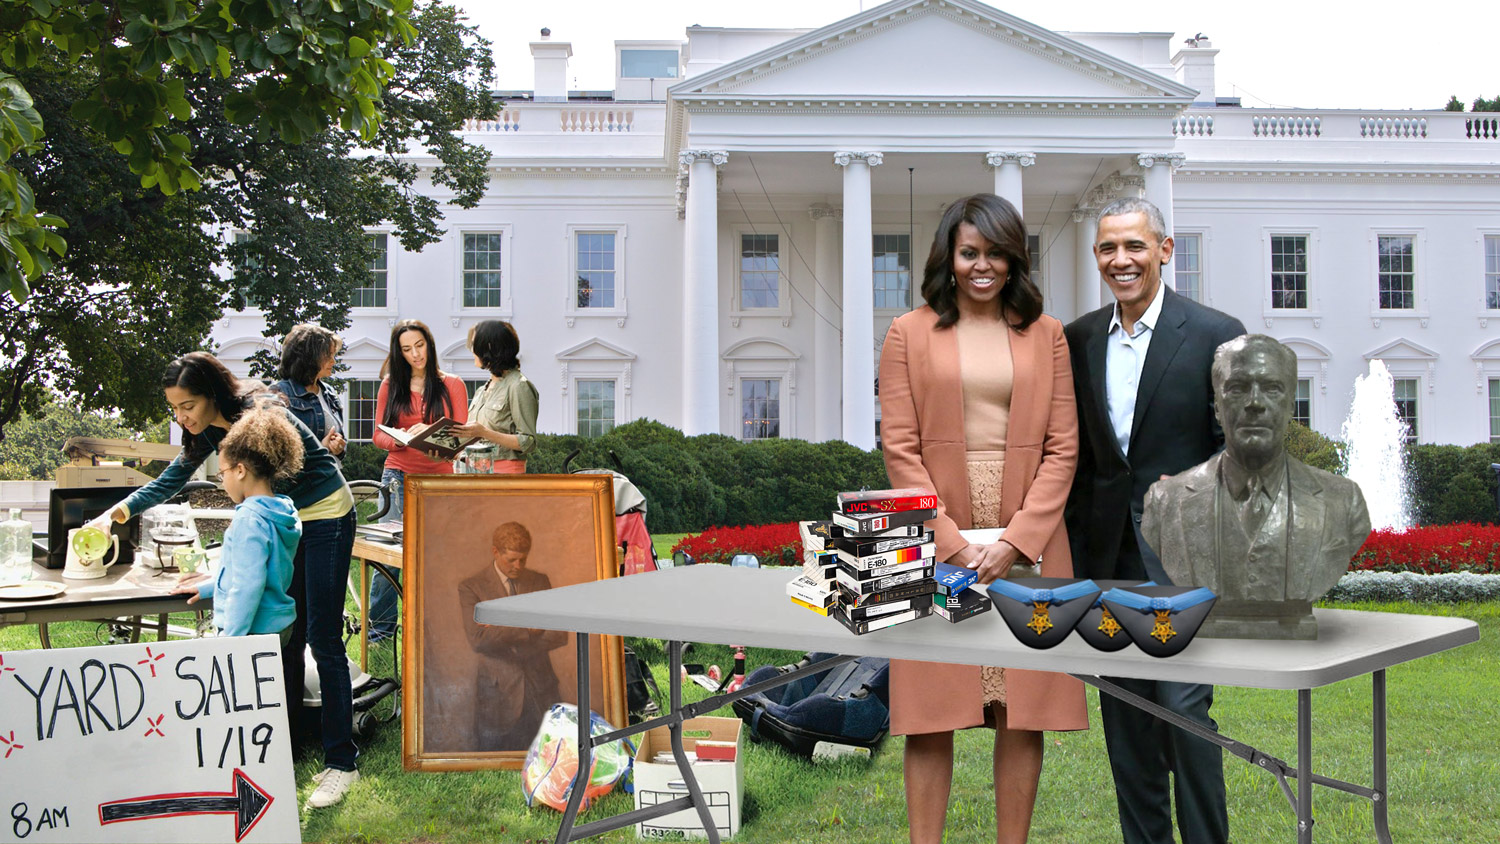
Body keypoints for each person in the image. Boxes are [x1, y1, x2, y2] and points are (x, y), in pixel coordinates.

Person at [878, 193, 1086, 844]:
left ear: (1015, 259)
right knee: (931, 707)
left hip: (1030, 536)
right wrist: (951, 543)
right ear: (949, 255)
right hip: (938, 531)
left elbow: (1063, 447)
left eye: (997, 253)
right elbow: (900, 448)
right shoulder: (908, 333)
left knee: (1018, 706)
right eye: (970, 253)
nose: (982, 267)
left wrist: (1020, 540)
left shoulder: (1046, 334)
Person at [89, 352, 361, 808]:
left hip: (325, 515)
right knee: (285, 640)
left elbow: (281, 485)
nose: (182, 417)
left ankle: (341, 762)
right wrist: (115, 513)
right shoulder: (206, 434)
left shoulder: (260, 415)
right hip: (286, 519)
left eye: (188, 406)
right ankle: (283, 751)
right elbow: (169, 480)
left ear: (212, 394)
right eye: (174, 409)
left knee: (323, 638)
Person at [1063, 196, 1246, 844]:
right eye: (1109, 248)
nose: (1122, 260)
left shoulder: (1217, 332)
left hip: (1187, 563)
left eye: (1135, 246)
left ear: (1164, 251)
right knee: (1129, 723)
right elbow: (1078, 455)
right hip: (1108, 564)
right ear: (1097, 258)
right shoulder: (1078, 338)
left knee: (1186, 714)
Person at [1142, 335, 1371, 638]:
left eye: (1272, 388)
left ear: (1291, 405)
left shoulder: (1344, 501)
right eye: (1237, 388)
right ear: (1217, 407)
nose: (1255, 403)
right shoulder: (1165, 502)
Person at [368, 319, 468, 638]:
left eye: (420, 346)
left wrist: (434, 437)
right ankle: (380, 631)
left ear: (430, 344)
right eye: (407, 349)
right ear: (399, 353)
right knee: (390, 557)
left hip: (440, 481)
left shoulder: (452, 384)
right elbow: (377, 435)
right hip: (397, 475)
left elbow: (460, 434)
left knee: (440, 556)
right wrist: (399, 439)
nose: (416, 354)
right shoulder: (390, 385)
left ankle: (436, 628)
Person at [171, 406, 301, 644]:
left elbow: (247, 587)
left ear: (240, 470)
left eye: (222, 474)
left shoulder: (249, 519)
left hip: (252, 633)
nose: (222, 482)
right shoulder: (280, 511)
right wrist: (209, 588)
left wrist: (229, 641)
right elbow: (253, 573)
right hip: (277, 626)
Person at [456, 521, 568, 751]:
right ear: (495, 552)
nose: (518, 566)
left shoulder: (540, 581)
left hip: (542, 689)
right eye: (511, 560)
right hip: (497, 695)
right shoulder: (471, 587)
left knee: (550, 755)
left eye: (523, 560)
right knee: (494, 759)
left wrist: (500, 628)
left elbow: (559, 633)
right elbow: (478, 639)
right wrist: (528, 628)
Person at [451, 320, 538, 474]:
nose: (471, 350)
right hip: (475, 472)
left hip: (504, 475)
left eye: (474, 344)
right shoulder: (482, 390)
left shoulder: (518, 386)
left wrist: (484, 432)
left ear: (489, 347)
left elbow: (528, 442)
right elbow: (472, 437)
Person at [273, 324, 348, 463]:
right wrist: (321, 448)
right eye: (328, 355)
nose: (333, 361)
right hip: (302, 482)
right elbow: (276, 452)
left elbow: (342, 442)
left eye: (333, 355)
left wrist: (339, 447)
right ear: (309, 358)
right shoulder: (279, 394)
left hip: (330, 477)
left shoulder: (329, 393)